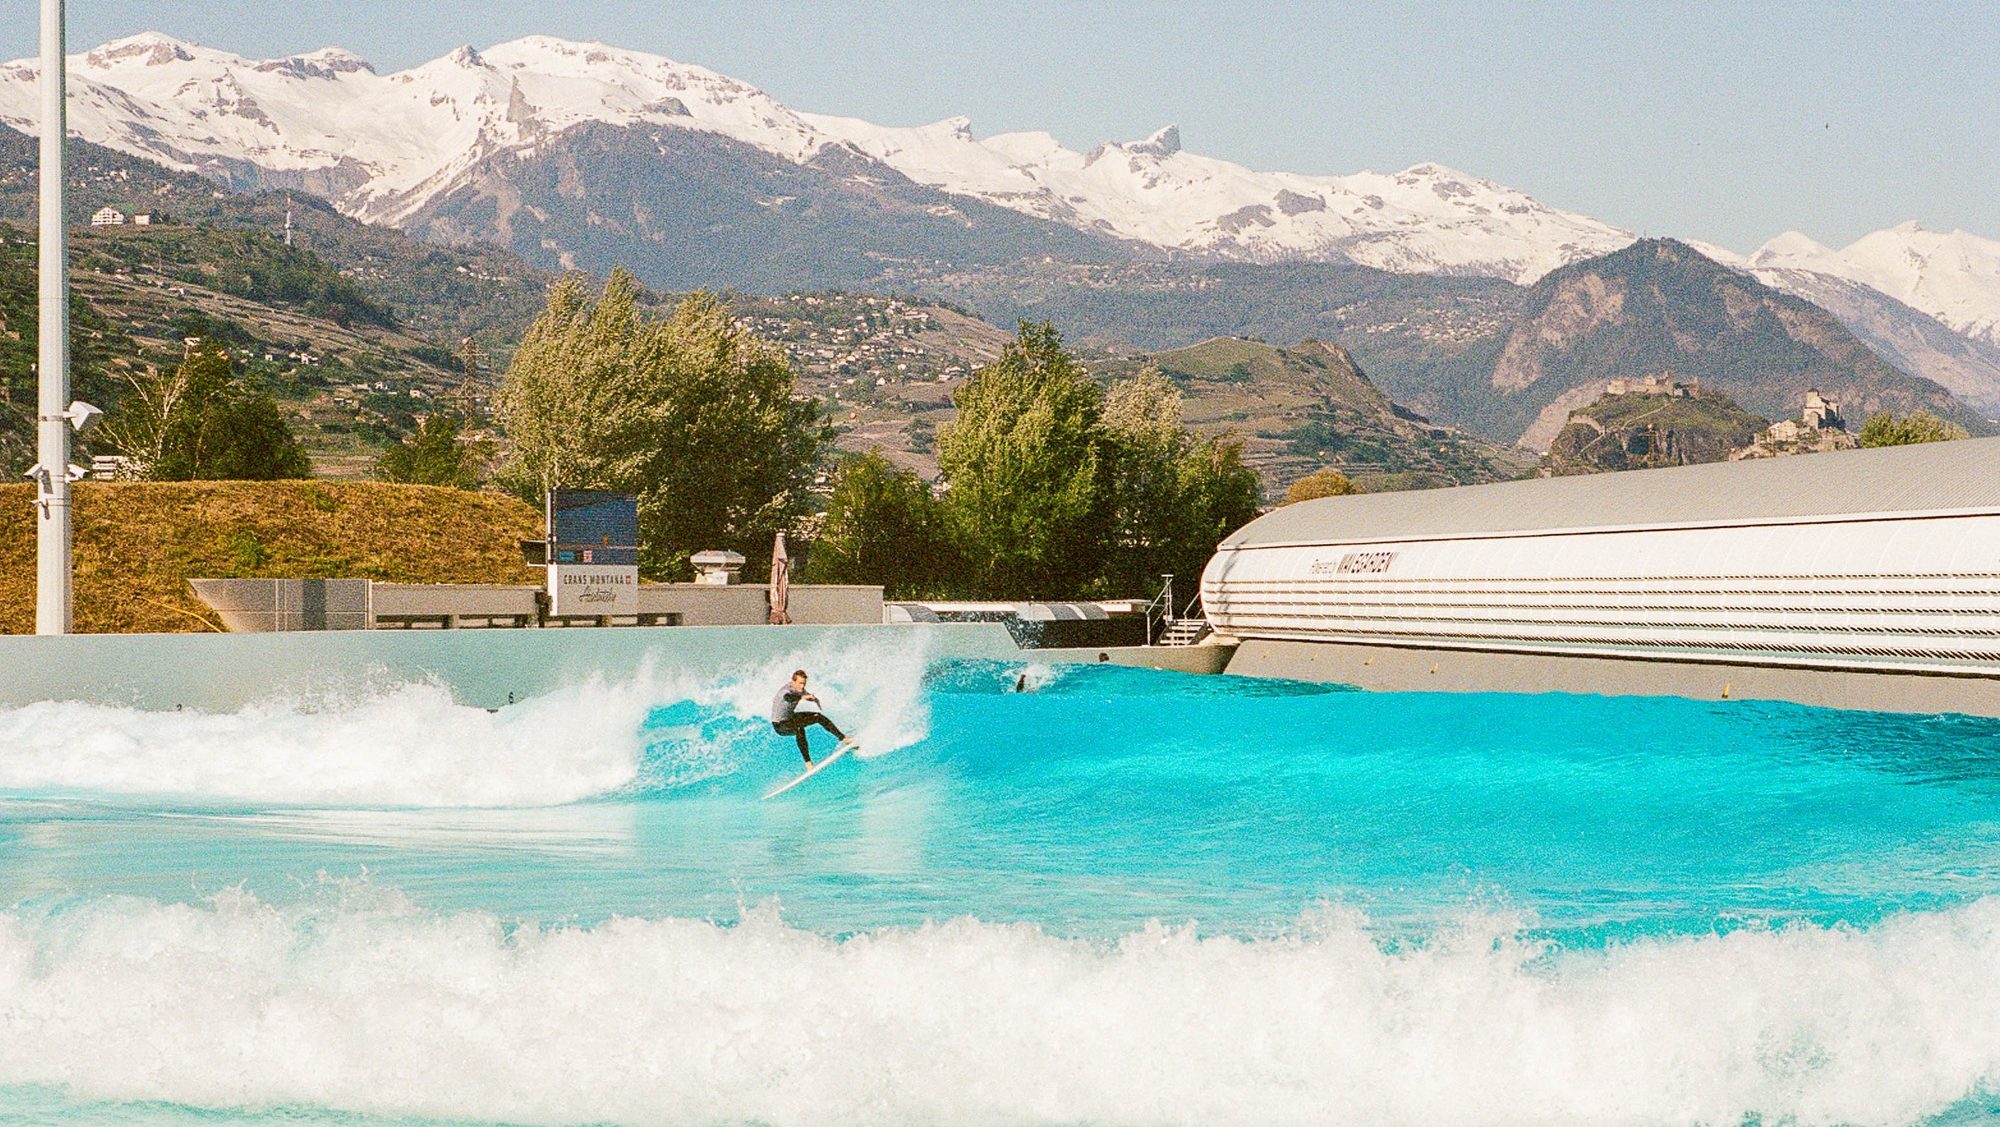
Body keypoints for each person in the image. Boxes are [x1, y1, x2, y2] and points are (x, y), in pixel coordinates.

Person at [770, 669, 847, 765]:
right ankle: (808, 763)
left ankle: (844, 739)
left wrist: (814, 699)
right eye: (800, 683)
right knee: (799, 728)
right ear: (793, 681)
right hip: (780, 725)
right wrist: (802, 697)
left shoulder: (800, 689)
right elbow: (788, 698)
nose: (802, 686)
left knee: (818, 716)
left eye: (804, 684)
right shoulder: (785, 691)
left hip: (791, 717)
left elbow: (806, 695)